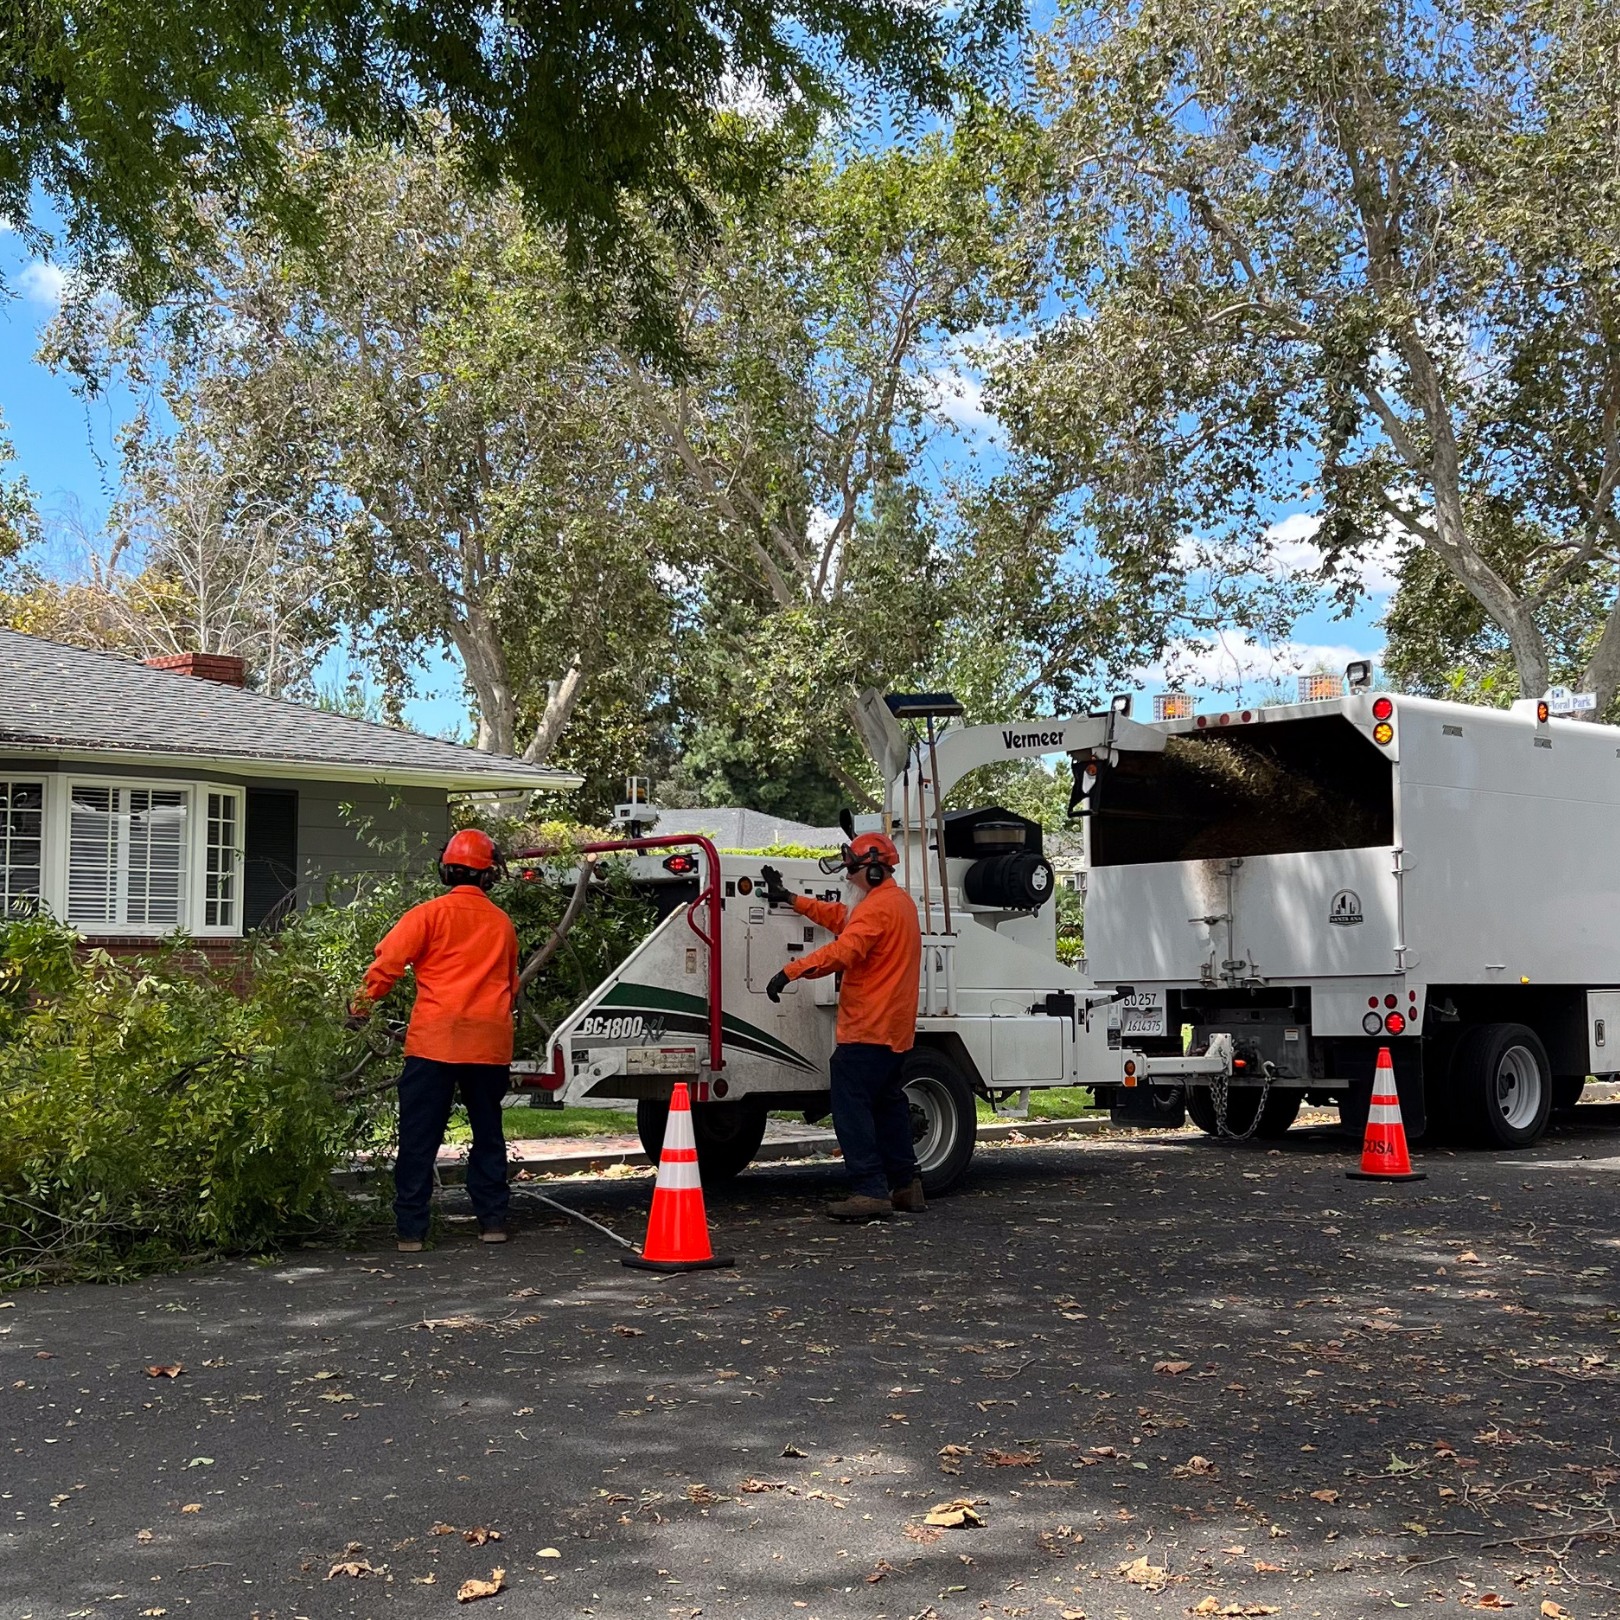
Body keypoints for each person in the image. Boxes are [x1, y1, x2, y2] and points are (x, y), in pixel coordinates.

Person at [348, 828, 520, 1253]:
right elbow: (511, 986)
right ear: (488, 877)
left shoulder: (427, 915)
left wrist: (360, 1006)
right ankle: (492, 1221)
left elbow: (388, 963)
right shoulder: (502, 923)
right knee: (487, 1132)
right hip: (488, 1043)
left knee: (419, 1137)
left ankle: (411, 1230)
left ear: (446, 872)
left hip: (435, 1042)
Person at [761, 831, 923, 1222]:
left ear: (872, 870)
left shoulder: (875, 909)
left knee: (850, 1103)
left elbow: (844, 949)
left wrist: (791, 971)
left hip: (868, 1026)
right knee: (888, 1104)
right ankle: (906, 1185)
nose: (847, 877)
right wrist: (790, 899)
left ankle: (869, 1189)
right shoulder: (898, 903)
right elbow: (841, 919)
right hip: (895, 1028)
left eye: (852, 869)